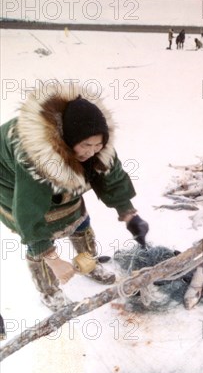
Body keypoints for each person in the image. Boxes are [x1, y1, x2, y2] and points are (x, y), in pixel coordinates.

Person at [0, 84, 149, 310]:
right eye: (86, 145)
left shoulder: (97, 146)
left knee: (76, 214)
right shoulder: (35, 156)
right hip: (11, 181)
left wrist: (128, 213)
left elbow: (111, 176)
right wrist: (53, 259)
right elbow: (27, 211)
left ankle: (89, 263)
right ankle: (49, 290)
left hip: (54, 168)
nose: (92, 151)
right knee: (39, 228)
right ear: (69, 140)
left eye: (98, 145)